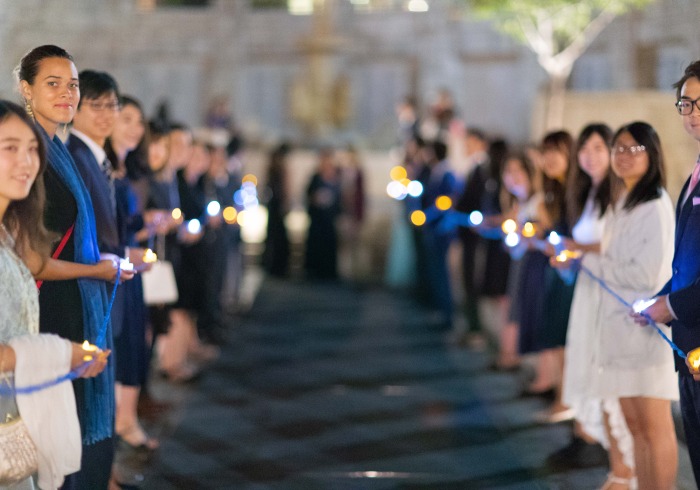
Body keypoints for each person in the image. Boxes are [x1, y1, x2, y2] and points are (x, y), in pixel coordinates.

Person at [15, 44, 133, 489]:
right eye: (53, 84)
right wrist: (94, 271)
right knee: (52, 434)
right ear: (26, 89)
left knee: (69, 430)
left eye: (73, 85)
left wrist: (95, 264)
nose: (67, 94)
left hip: (70, 302)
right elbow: (31, 260)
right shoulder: (31, 154)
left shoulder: (55, 148)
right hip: (50, 309)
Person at [0, 99, 110, 489]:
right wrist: (60, 354)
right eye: (9, 148)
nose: (26, 161)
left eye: (32, 149)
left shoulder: (10, 235)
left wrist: (64, 359)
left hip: (14, 420)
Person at [565, 122, 678, 489]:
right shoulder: (622, 202)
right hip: (617, 329)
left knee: (654, 427)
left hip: (643, 331)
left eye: (634, 149)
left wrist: (589, 261)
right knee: (634, 428)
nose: (624, 156)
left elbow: (647, 274)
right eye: (619, 149)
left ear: (653, 154)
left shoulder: (655, 205)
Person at [634, 60, 700, 487]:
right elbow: (687, 261)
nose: (692, 113)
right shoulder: (694, 173)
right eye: (686, 103)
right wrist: (658, 299)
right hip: (690, 346)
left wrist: (671, 305)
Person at [547, 124, 618, 472]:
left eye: (598, 148)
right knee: (581, 358)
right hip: (586, 289)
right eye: (585, 149)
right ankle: (583, 433)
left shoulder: (617, 194)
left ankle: (600, 443)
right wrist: (566, 257)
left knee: (597, 361)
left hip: (608, 293)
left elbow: (614, 243)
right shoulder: (587, 192)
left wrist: (575, 249)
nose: (589, 156)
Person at [263, 142, 292, 277]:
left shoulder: (274, 168)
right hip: (276, 206)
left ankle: (276, 266)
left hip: (275, 206)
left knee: (276, 237)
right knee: (277, 237)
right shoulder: (278, 169)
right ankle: (277, 266)